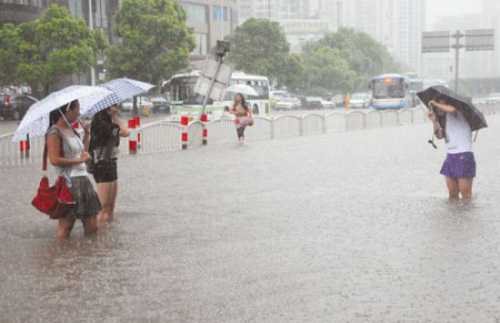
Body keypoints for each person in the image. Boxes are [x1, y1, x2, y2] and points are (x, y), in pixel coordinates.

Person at [46, 100, 101, 240]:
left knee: (92, 226)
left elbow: (81, 152)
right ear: (68, 110)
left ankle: (84, 258)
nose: (79, 113)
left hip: (83, 180)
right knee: (66, 226)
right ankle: (61, 259)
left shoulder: (72, 129)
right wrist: (78, 161)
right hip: (69, 182)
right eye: (77, 109)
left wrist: (87, 134)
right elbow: (54, 159)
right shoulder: (54, 132)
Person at [89, 104, 130, 225]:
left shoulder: (108, 119)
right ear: (107, 106)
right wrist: (116, 118)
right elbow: (125, 132)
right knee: (104, 207)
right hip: (101, 163)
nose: (117, 108)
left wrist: (114, 116)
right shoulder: (100, 121)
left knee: (111, 206)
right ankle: (100, 237)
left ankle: (108, 236)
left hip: (111, 161)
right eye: (114, 106)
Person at [428, 98, 476, 201]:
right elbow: (439, 136)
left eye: (441, 103)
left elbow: (452, 110)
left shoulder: (459, 113)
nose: (437, 107)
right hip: (450, 156)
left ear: (448, 103)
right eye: (437, 106)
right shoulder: (444, 120)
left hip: (463, 155)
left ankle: (467, 216)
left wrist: (435, 103)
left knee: (466, 195)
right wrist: (434, 121)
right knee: (452, 195)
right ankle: (455, 216)